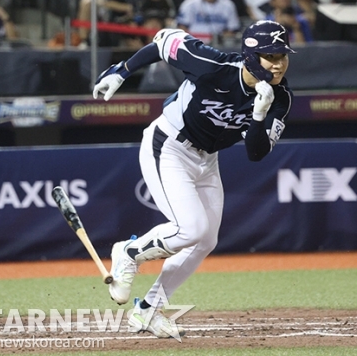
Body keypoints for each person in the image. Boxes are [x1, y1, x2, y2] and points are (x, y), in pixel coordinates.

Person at [93, 20, 295, 337]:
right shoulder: (212, 64)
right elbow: (162, 41)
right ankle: (129, 253)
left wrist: (259, 116)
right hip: (169, 144)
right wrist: (122, 70)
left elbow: (256, 153)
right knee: (191, 229)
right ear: (253, 56)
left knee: (206, 240)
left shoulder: (279, 98)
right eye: (271, 56)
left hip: (206, 159)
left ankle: (148, 310)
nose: (279, 64)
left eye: (282, 56)